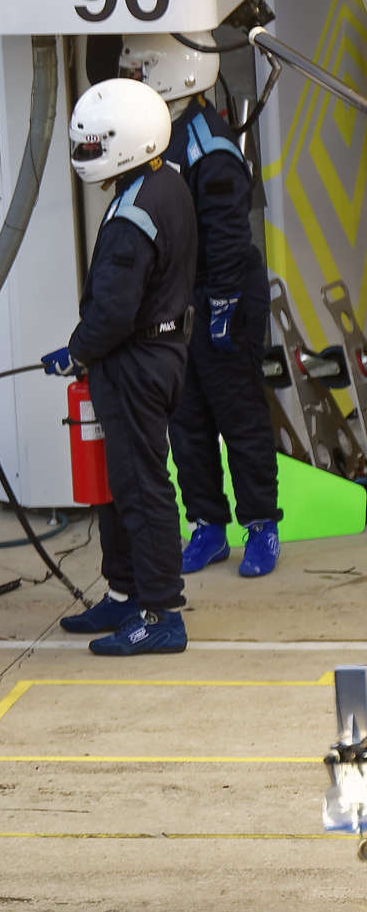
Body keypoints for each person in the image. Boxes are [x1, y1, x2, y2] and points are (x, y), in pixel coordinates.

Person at [49, 78, 199, 657]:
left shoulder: (132, 217)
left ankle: (160, 613)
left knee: (141, 488)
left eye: (93, 146)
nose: (86, 155)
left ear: (127, 141)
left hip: (136, 363)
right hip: (151, 354)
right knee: (122, 485)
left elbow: (113, 312)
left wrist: (77, 351)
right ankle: (125, 592)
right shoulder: (163, 180)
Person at [121, 33, 279, 580]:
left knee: (239, 415)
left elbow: (230, 239)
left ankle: (261, 525)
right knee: (186, 420)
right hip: (181, 297)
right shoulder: (156, 136)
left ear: (170, 72)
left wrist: (223, 308)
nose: (133, 80)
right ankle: (208, 527)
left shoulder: (207, 145)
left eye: (140, 70)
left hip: (223, 294)